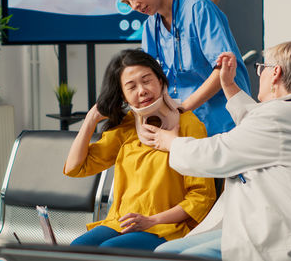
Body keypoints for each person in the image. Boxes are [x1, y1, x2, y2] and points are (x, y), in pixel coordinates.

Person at [145, 41, 291, 260]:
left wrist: (171, 142)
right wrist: (228, 84)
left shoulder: (280, 117)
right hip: (266, 224)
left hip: (285, 235)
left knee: (179, 257)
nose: (259, 75)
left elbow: (217, 154)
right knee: (166, 252)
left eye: (261, 68)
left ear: (275, 73)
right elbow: (253, 119)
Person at [63, 49, 216, 251]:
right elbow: (75, 167)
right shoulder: (126, 127)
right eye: (131, 86)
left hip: (167, 226)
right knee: (76, 249)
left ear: (160, 81)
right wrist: (90, 119)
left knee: (109, 251)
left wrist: (151, 220)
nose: (142, 90)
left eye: (147, 80)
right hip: (121, 222)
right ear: (123, 96)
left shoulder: (188, 125)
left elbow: (202, 197)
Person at [106, 0, 250, 136]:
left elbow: (223, 70)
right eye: (127, 3)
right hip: (185, 125)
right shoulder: (150, 27)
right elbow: (154, 81)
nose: (134, 6)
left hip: (224, 121)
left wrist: (182, 108)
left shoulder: (198, 8)